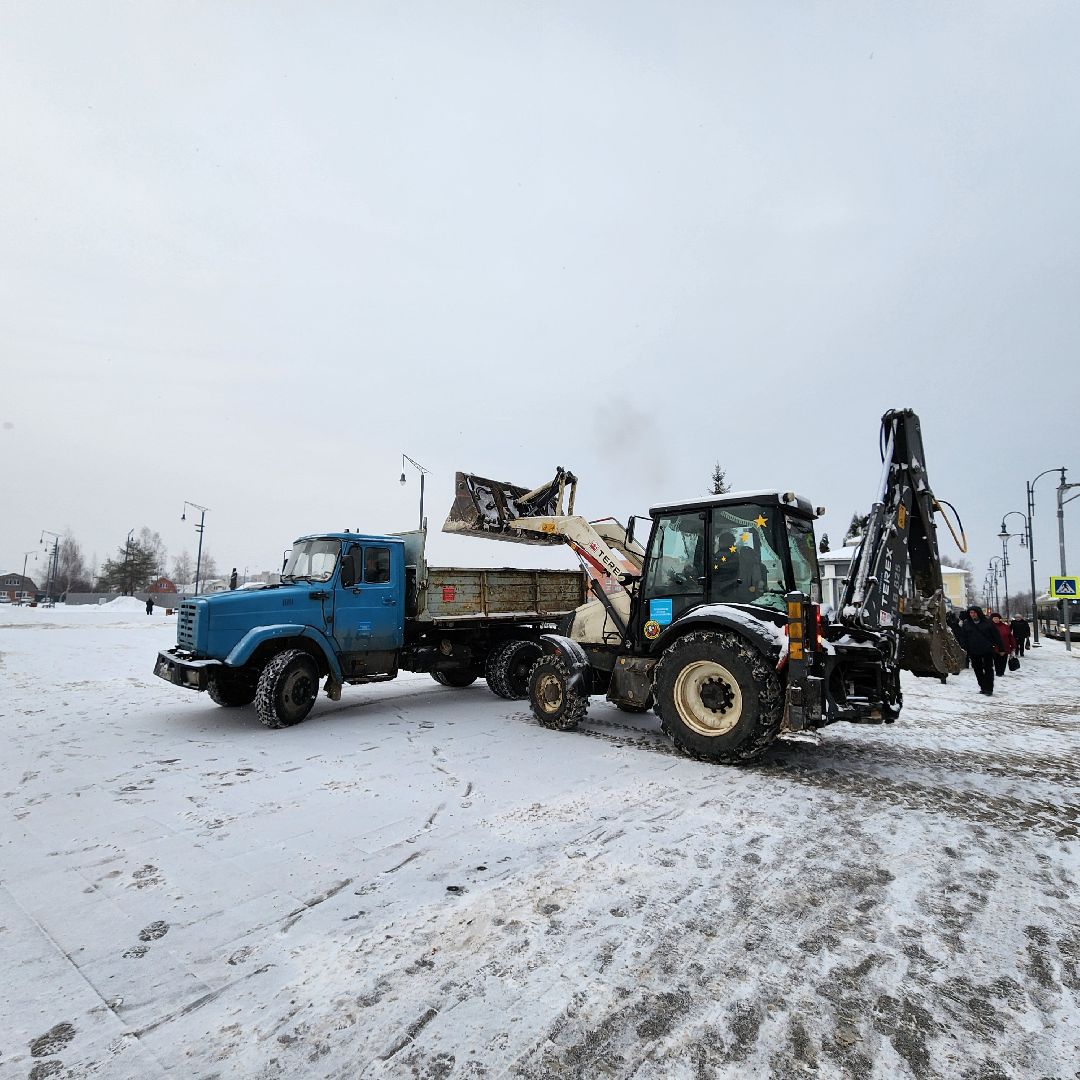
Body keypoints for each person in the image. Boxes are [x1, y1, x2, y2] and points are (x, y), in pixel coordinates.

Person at [957, 606, 999, 695]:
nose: (973, 614)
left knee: (988, 669)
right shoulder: (967, 624)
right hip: (973, 650)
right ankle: (983, 687)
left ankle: (989, 688)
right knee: (977, 669)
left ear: (978, 613)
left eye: (974, 612)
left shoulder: (988, 623)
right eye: (971, 613)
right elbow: (963, 637)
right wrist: (964, 648)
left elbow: (996, 636)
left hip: (987, 650)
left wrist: (1000, 648)